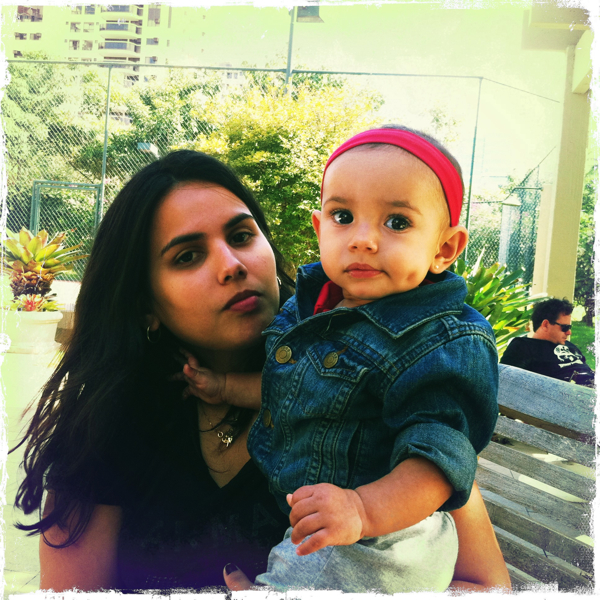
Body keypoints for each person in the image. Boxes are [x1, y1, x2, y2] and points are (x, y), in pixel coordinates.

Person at [12, 149, 509, 592]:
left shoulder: (381, 385)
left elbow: (487, 585)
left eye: (241, 235)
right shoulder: (103, 431)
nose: (231, 264)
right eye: (188, 256)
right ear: (146, 305)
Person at [180, 127, 501, 593]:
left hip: (388, 539)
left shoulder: (440, 340)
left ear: (444, 248)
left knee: (310, 568)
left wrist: (362, 509)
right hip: (334, 527)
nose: (363, 240)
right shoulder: (311, 310)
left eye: (397, 222)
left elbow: (437, 462)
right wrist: (225, 387)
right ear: (319, 228)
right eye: (343, 216)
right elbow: (288, 387)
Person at [501, 297, 594, 387]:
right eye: (565, 327)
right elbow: (506, 384)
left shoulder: (570, 346)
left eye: (569, 327)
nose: (569, 332)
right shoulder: (523, 346)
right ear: (545, 325)